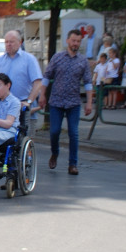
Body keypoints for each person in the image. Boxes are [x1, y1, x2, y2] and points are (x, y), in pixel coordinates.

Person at [43, 29, 94, 175]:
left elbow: (88, 83)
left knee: (74, 133)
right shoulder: (58, 57)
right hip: (56, 101)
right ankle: (55, 152)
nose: (75, 44)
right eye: (73, 41)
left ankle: (73, 164)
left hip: (73, 102)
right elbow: (47, 76)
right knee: (54, 131)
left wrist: (89, 102)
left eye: (78, 41)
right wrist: (42, 95)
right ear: (67, 41)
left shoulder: (83, 61)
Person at [0, 29, 44, 135]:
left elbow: (38, 82)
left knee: (24, 140)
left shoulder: (29, 59)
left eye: (11, 42)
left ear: (20, 42)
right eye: (6, 42)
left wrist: (29, 102)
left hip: (23, 106)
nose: (8, 44)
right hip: (3, 108)